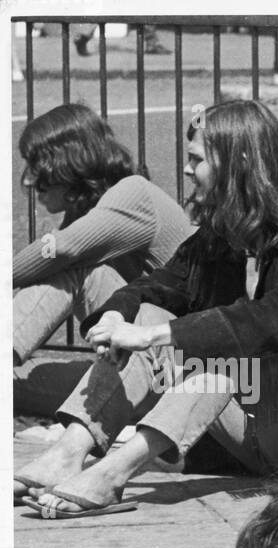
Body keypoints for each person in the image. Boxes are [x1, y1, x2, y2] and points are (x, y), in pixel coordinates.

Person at [15, 99, 278, 517]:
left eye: (196, 159)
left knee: (217, 352)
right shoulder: (224, 230)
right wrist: (117, 313)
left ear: (238, 161)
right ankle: (68, 451)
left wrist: (153, 336)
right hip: (237, 429)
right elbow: (160, 284)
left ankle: (113, 474)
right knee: (152, 313)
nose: (186, 170)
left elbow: (270, 323)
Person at [13, 103, 193, 416]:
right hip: (137, 361)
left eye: (37, 166)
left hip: (180, 374)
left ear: (67, 165)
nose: (29, 181)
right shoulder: (89, 211)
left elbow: (59, 249)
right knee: (15, 383)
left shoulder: (133, 194)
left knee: (78, 272)